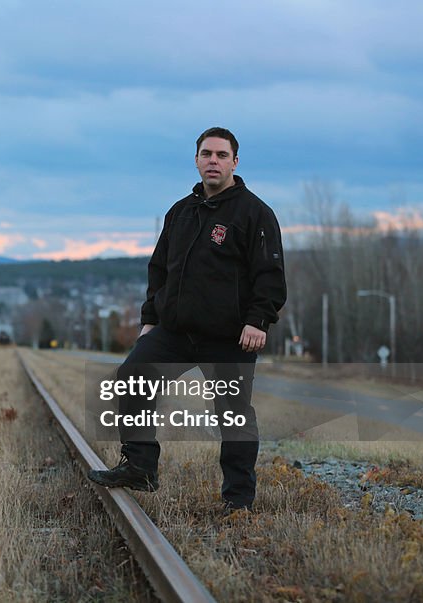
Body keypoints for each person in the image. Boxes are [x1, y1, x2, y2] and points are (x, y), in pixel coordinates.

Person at [87, 127, 287, 512]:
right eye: (207, 154)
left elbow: (270, 274)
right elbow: (160, 268)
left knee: (233, 415)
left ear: (235, 162)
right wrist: (150, 318)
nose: (213, 161)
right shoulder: (180, 212)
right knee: (132, 376)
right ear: (196, 160)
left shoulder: (255, 213)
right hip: (175, 331)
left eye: (222, 155)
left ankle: (238, 500)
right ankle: (141, 466)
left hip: (230, 336)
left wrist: (258, 320)